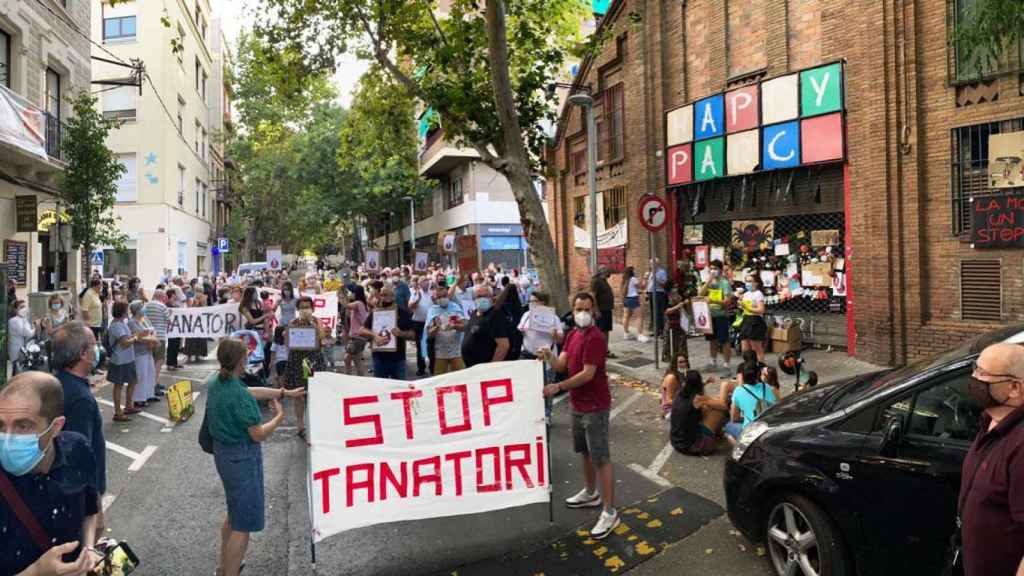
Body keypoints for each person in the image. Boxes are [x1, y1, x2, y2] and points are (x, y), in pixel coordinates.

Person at [207, 338, 305, 576]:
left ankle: (224, 567)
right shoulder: (238, 395)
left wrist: (283, 392)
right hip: (242, 459)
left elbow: (248, 391)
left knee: (233, 514)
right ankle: (230, 572)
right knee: (243, 525)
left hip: (223, 455)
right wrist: (280, 417)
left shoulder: (216, 382)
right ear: (241, 361)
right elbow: (259, 434)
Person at [0, 372, 104, 576]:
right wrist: (37, 572)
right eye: (1, 425)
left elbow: (90, 512)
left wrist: (89, 548)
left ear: (55, 427)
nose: (8, 439)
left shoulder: (77, 449)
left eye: (23, 425)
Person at [540, 292, 617, 539]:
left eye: (586, 308)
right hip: (577, 404)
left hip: (595, 406)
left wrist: (558, 387)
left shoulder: (595, 338)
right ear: (572, 312)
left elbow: (587, 374)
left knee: (601, 458)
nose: (582, 313)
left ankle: (609, 511)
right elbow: (561, 365)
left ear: (593, 311)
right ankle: (590, 492)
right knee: (584, 451)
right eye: (578, 309)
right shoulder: (573, 335)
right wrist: (549, 355)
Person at [958, 343, 1024, 576]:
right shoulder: (989, 420)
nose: (974, 378)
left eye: (984, 374)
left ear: (1014, 388)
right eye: (976, 369)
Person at [52, 322, 107, 535]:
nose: (98, 348)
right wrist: (94, 504)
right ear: (83, 353)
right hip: (82, 496)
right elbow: (79, 455)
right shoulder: (80, 399)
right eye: (94, 344)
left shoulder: (59, 384)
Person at [283, 297, 324, 440]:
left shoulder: (317, 321)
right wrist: (287, 333)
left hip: (310, 361)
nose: (305, 310)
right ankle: (300, 426)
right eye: (302, 307)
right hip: (297, 360)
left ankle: (314, 424)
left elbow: (323, 338)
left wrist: (314, 325)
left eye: (307, 307)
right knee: (298, 393)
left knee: (311, 392)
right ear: (298, 309)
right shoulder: (293, 323)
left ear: (312, 308)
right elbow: (286, 342)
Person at [360, 285, 416, 379]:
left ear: (393, 297)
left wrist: (401, 333)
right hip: (379, 359)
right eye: (381, 295)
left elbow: (413, 335)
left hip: (398, 359)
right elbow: (361, 330)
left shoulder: (403, 313)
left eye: (385, 295)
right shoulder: (375, 312)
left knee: (398, 390)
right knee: (381, 390)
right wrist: (374, 336)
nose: (383, 298)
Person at [669, 369, 728, 456]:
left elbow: (693, 386)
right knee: (718, 411)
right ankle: (714, 437)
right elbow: (723, 406)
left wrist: (705, 383)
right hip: (693, 446)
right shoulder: (698, 399)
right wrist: (725, 387)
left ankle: (717, 435)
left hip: (676, 442)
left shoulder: (679, 392)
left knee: (707, 407)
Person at [461, 284, 512, 368]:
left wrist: (491, 367)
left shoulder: (495, 316)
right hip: (472, 367)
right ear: (474, 299)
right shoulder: (474, 313)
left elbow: (503, 346)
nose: (482, 299)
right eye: (479, 296)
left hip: (485, 369)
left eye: (485, 296)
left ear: (491, 297)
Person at [724, 364, 777, 444]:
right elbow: (774, 408)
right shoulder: (766, 386)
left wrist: (746, 417)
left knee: (728, 429)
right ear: (758, 375)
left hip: (750, 430)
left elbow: (734, 418)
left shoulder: (738, 390)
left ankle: (741, 449)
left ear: (743, 376)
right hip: (766, 427)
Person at [698, 260, 734, 376]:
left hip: (721, 315)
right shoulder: (709, 282)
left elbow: (728, 301)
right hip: (709, 315)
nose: (713, 271)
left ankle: (726, 365)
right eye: (711, 268)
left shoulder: (725, 283)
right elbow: (700, 294)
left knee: (724, 341)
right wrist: (708, 281)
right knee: (711, 340)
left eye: (715, 268)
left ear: (720, 270)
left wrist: (713, 301)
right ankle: (713, 362)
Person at [424, 281, 468, 375]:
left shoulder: (455, 307)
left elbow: (464, 326)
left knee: (460, 378)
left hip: (456, 351)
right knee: (439, 381)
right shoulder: (432, 310)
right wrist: (436, 327)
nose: (442, 299)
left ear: (448, 296)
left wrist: (455, 326)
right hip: (440, 353)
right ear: (435, 299)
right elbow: (429, 333)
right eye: (439, 297)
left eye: (444, 296)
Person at [107, 301, 138, 422]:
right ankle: (118, 411)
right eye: (126, 310)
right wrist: (135, 338)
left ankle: (129, 406)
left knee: (133, 380)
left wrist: (134, 336)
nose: (128, 312)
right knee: (118, 385)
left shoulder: (121, 323)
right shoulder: (116, 325)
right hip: (119, 359)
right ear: (122, 311)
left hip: (128, 358)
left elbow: (127, 338)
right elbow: (124, 343)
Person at [128, 300, 159, 408]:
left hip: (148, 350)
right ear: (136, 310)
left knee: (150, 373)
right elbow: (138, 336)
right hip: (139, 352)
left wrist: (152, 338)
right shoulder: (132, 322)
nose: (144, 308)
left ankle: (149, 394)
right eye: (141, 307)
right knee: (141, 375)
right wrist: (151, 340)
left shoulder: (144, 319)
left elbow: (152, 330)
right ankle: (139, 399)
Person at [143, 289, 170, 392]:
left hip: (149, 336)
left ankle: (154, 382)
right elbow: (169, 321)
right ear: (161, 297)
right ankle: (154, 385)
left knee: (151, 361)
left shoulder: (146, 305)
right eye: (164, 297)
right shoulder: (163, 307)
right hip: (160, 337)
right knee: (159, 361)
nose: (165, 299)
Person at [739, 274, 768, 362]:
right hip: (746, 319)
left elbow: (761, 310)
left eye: (750, 281)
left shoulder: (758, 294)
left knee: (756, 348)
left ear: (756, 283)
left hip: (755, 321)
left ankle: (760, 367)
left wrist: (747, 307)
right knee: (745, 349)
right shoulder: (746, 294)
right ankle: (749, 366)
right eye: (746, 281)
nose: (748, 283)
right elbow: (744, 307)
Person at [640, 258, 668, 343]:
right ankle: (655, 330)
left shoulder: (662, 272)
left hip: (659, 293)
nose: (651, 265)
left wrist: (655, 276)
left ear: (657, 264)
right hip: (651, 293)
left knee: (660, 312)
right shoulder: (649, 272)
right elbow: (645, 285)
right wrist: (645, 278)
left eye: (653, 264)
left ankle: (662, 331)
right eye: (650, 264)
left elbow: (663, 283)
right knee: (653, 312)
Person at [344, 284, 370, 377]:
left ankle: (351, 378)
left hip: (357, 337)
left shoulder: (358, 303)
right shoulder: (363, 304)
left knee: (351, 359)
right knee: (353, 360)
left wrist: (342, 295)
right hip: (360, 337)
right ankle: (356, 378)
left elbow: (345, 305)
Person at [590, 267, 615, 355]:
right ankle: (599, 350)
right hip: (601, 310)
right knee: (600, 331)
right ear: (603, 272)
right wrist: (596, 310)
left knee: (606, 330)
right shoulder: (596, 281)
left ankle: (605, 350)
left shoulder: (604, 281)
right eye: (608, 272)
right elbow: (592, 295)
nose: (610, 274)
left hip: (607, 309)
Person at [409, 278, 432, 376]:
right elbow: (410, 306)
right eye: (423, 281)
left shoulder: (432, 293)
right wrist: (418, 299)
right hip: (419, 323)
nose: (426, 283)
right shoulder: (415, 294)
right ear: (420, 283)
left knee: (431, 345)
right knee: (420, 346)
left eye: (427, 281)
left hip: (430, 323)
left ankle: (432, 367)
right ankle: (421, 368)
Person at [8, 300, 35, 375]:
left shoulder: (23, 319)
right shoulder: (13, 320)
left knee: (20, 370)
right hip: (16, 350)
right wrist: (35, 328)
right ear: (16, 309)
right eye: (21, 307)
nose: (24, 309)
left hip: (22, 349)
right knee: (16, 370)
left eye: (24, 306)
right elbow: (28, 333)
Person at [184, 291, 211, 363]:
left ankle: (197, 355)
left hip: (200, 325)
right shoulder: (192, 302)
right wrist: (195, 304)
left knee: (199, 340)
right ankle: (189, 356)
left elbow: (206, 312)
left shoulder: (203, 303)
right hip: (192, 325)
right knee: (191, 340)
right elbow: (189, 311)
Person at [621, 266, 640, 340]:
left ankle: (625, 333)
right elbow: (641, 286)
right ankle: (640, 334)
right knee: (638, 316)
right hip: (633, 298)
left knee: (626, 316)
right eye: (634, 270)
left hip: (626, 298)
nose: (635, 271)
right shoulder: (633, 279)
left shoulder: (625, 279)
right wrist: (644, 278)